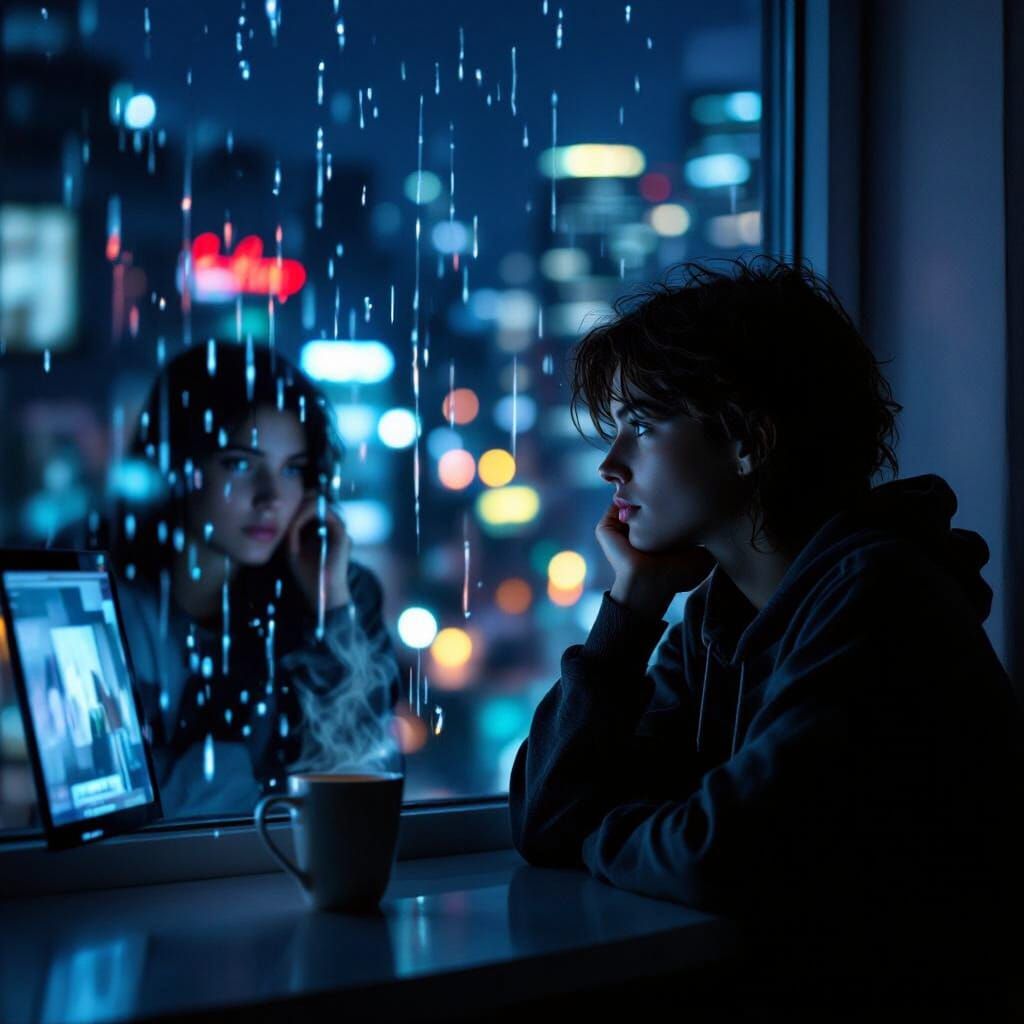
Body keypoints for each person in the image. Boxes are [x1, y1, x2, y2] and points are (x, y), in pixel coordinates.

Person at [508, 257, 1024, 1012]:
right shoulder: (720, 619)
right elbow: (545, 818)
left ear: (749, 441)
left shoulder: (881, 603)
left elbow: (718, 853)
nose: (611, 464)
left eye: (644, 426)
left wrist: (600, 824)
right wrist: (634, 603)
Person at [66, 341, 403, 818]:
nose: (270, 497)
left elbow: (364, 783)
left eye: (292, 470)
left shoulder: (333, 590)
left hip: (280, 881)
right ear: (179, 464)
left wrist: (333, 610)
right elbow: (98, 805)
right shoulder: (101, 592)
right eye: (240, 464)